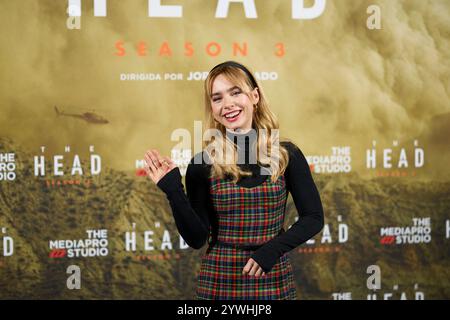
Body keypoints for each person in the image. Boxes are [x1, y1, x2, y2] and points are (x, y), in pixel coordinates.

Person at [144, 60, 324, 300]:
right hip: (219, 282)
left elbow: (313, 217)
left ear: (255, 96)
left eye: (235, 92)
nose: (227, 104)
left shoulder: (286, 155)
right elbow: (196, 239)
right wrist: (174, 190)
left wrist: (272, 251)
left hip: (272, 279)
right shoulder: (202, 164)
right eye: (217, 98)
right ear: (213, 108)